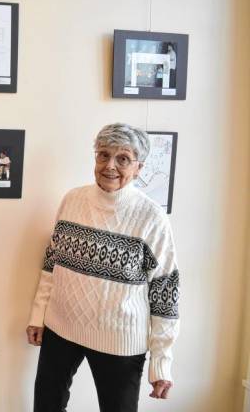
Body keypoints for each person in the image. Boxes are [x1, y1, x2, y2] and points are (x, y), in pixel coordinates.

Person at [27, 123, 179, 412]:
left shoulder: (152, 217)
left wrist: (161, 362)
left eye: (123, 159)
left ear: (139, 168)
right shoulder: (72, 200)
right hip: (61, 326)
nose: (110, 166)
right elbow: (52, 262)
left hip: (120, 339)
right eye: (103, 155)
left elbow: (165, 290)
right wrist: (38, 315)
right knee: (46, 405)